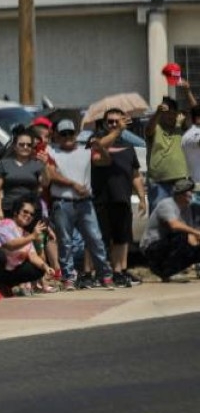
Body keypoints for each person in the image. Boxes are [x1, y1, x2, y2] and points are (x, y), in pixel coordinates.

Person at [47, 118, 117, 290]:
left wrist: (100, 147)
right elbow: (51, 174)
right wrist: (73, 184)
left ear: (76, 134)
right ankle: (68, 278)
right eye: (63, 134)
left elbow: (106, 161)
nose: (67, 137)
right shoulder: (52, 151)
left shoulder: (85, 151)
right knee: (65, 242)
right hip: (63, 202)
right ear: (56, 136)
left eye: (70, 133)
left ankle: (104, 275)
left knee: (95, 239)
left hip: (85, 202)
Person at [90, 110, 147, 288]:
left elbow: (135, 174)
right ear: (105, 123)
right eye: (111, 122)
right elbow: (98, 149)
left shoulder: (128, 147)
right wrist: (116, 132)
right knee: (100, 239)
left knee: (122, 238)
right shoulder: (97, 140)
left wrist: (142, 196)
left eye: (117, 121)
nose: (114, 125)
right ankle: (94, 273)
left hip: (122, 197)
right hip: (101, 198)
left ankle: (119, 271)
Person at [0, 199, 55, 297]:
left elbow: (33, 256)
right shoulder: (4, 224)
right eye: (25, 212)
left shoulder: (25, 234)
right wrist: (33, 236)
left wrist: (46, 267)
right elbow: (10, 245)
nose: (28, 215)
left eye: (31, 214)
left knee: (38, 269)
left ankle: (6, 286)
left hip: (6, 271)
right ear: (16, 212)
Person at [140, 177, 200, 282]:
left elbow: (192, 238)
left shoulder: (187, 209)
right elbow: (174, 225)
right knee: (181, 235)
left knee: (194, 247)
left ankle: (171, 271)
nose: (191, 195)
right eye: (189, 192)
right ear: (181, 193)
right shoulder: (167, 204)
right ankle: (165, 271)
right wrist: (196, 232)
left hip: (170, 244)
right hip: (152, 247)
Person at [146, 91, 195, 211]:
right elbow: (149, 129)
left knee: (182, 219)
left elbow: (195, 110)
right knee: (158, 219)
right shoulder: (155, 128)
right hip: (158, 182)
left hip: (181, 182)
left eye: (173, 113)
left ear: (177, 114)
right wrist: (158, 112)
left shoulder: (182, 129)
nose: (169, 116)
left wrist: (187, 91)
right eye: (166, 113)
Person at [0, 128, 46, 220]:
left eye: (29, 145)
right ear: (15, 146)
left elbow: (45, 183)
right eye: (21, 144)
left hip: (30, 212)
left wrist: (45, 167)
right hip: (8, 209)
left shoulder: (37, 165)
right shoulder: (5, 164)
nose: (25, 147)